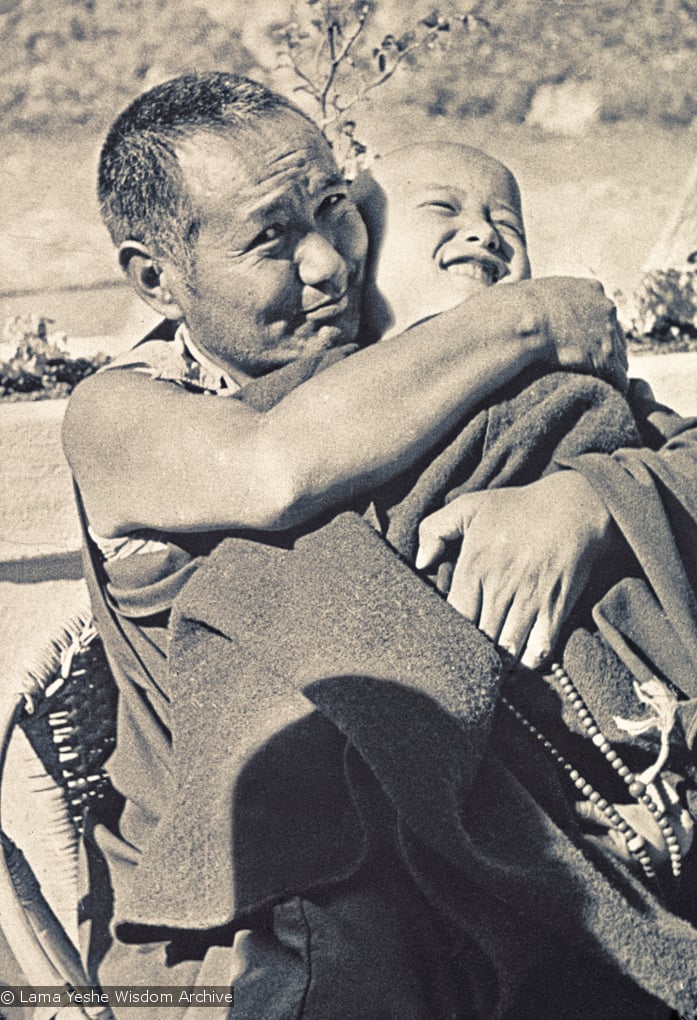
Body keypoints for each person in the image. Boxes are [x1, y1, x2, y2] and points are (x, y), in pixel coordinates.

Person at [61, 72, 696, 1017]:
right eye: (272, 237)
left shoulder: (408, 361)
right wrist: (526, 313)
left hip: (555, 825)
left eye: (333, 208)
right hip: (279, 904)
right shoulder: (120, 410)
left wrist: (587, 501)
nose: (327, 263)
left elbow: (664, 445)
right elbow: (277, 468)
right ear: (158, 276)